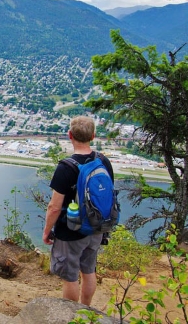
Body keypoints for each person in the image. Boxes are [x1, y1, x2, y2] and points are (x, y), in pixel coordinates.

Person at [42, 115, 114, 306]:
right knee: (89, 270)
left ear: (69, 135)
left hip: (71, 230)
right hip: (97, 226)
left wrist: (47, 230)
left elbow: (54, 207)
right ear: (93, 136)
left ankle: (72, 315)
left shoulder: (66, 167)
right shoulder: (103, 161)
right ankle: (86, 310)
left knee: (70, 275)